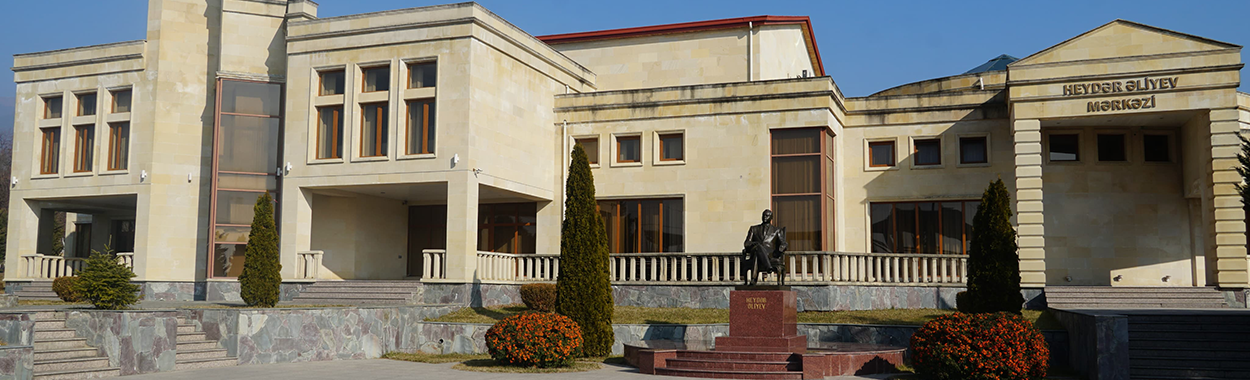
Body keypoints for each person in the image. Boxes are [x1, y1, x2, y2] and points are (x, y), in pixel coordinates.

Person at [742, 209, 788, 286]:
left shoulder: (777, 230)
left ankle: (754, 279)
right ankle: (768, 267)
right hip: (755, 250)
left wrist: (782, 248)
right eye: (763, 215)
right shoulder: (754, 229)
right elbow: (747, 243)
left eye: (767, 215)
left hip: (769, 253)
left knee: (758, 252)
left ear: (771, 218)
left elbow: (783, 243)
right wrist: (754, 244)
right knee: (758, 248)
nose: (765, 217)